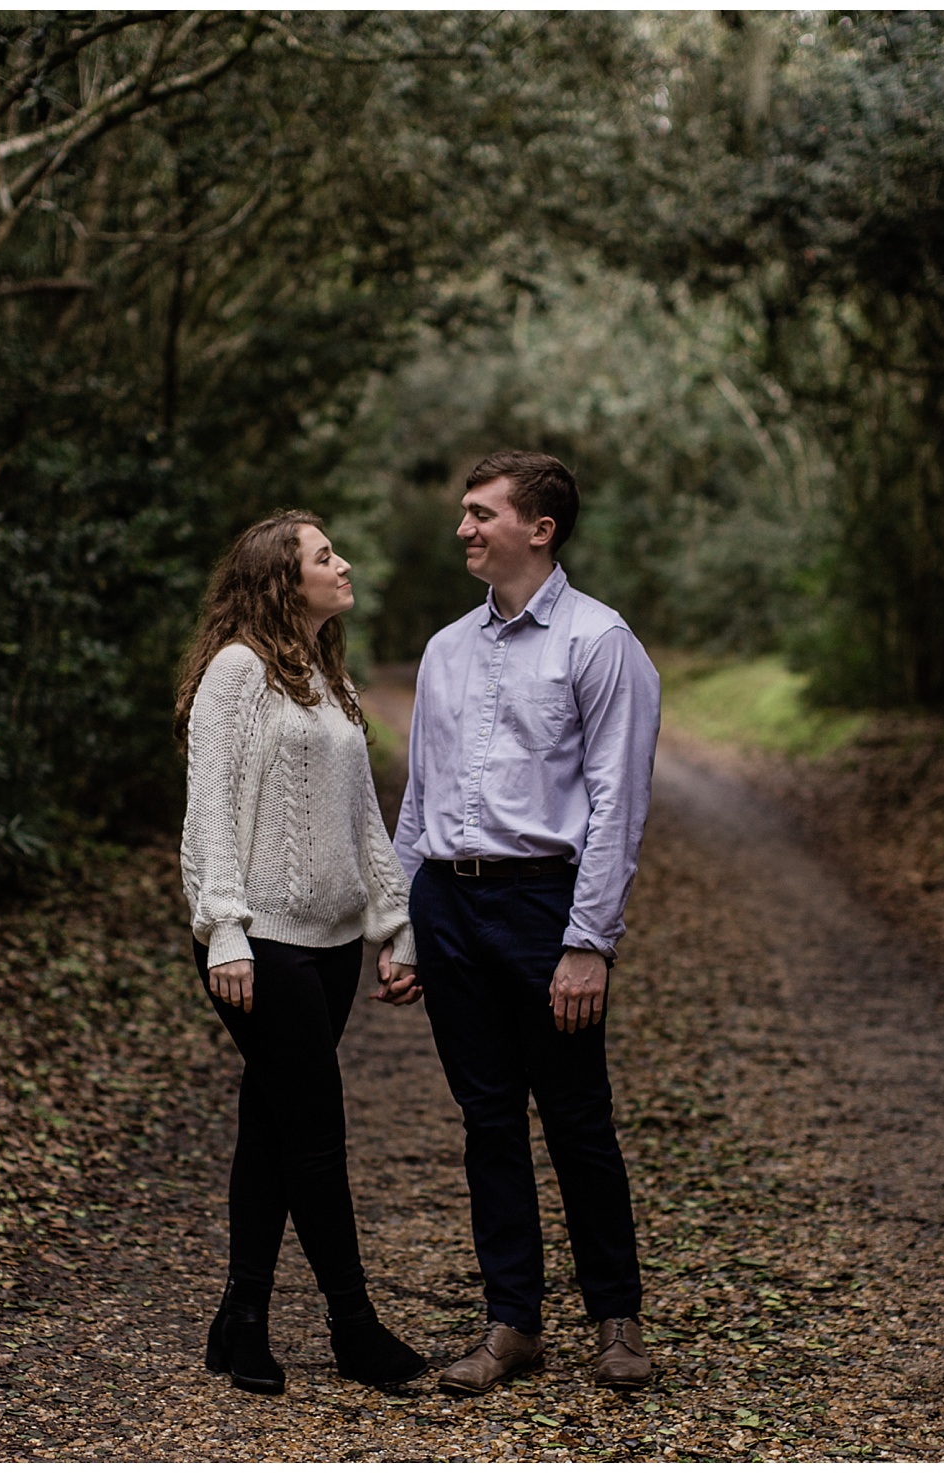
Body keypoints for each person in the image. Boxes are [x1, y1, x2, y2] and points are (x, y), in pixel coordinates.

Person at [390, 450, 661, 1395]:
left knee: (577, 1117)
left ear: (538, 529)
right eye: (464, 513)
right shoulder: (445, 647)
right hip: (450, 902)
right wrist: (402, 922)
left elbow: (616, 802)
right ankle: (512, 1323)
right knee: (487, 1120)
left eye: (480, 513)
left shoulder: (599, 641)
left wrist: (589, 942)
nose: (464, 528)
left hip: (547, 905)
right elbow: (418, 800)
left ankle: (616, 1317)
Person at [175, 511, 430, 1396]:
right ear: (283, 578)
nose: (343, 562)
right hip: (262, 946)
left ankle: (241, 1316)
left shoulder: (326, 676)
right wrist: (225, 926)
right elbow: (208, 806)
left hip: (328, 948)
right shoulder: (238, 670)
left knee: (273, 1125)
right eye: (325, 556)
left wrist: (394, 921)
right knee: (317, 1133)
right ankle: (354, 1327)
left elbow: (362, 813)